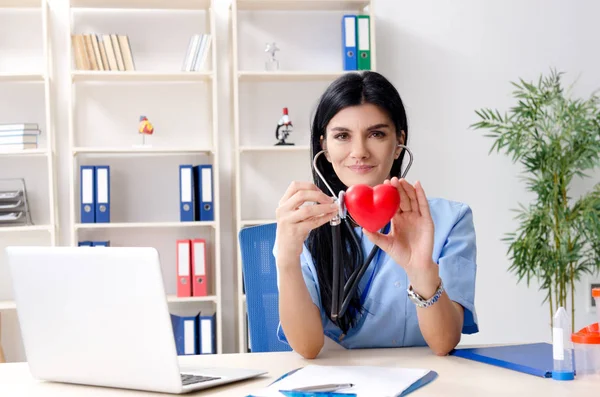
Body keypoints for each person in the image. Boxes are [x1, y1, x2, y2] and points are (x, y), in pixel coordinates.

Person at [274, 71, 478, 359]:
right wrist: (286, 260)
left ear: (398, 144)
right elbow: (308, 348)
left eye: (377, 134)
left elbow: (444, 343)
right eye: (342, 136)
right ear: (325, 148)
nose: (359, 152)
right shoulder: (304, 225)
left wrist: (420, 269)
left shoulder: (450, 220)